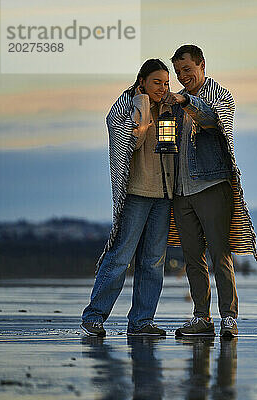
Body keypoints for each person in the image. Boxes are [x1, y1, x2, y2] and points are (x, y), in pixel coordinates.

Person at [162, 44, 257, 338]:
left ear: (202, 65)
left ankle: (229, 317)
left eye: (187, 70)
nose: (183, 76)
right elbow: (165, 142)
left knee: (221, 254)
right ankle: (201, 318)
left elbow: (212, 121)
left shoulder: (220, 95)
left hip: (213, 185)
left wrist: (185, 100)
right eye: (178, 72)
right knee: (192, 257)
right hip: (181, 190)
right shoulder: (173, 102)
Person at [80, 59, 177, 337]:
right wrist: (142, 105)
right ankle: (94, 317)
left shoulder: (169, 109)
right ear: (142, 81)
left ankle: (142, 322)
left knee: (153, 262)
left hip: (163, 194)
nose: (162, 88)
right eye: (157, 82)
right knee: (120, 257)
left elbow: (170, 150)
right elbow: (131, 141)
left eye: (166, 83)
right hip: (135, 192)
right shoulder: (125, 105)